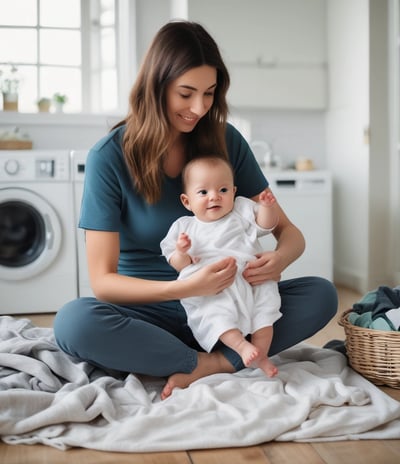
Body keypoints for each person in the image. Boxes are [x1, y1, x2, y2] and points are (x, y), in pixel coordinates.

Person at [53, 20, 338, 401]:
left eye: (209, 93)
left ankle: (211, 363)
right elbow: (102, 281)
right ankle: (204, 358)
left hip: (231, 303)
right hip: (149, 312)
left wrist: (277, 260)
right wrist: (186, 287)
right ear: (156, 87)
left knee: (321, 294)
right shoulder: (109, 158)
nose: (199, 107)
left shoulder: (226, 141)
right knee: (74, 323)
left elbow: (289, 233)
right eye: (186, 93)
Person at [161, 155, 282, 377]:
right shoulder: (184, 227)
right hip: (211, 287)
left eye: (223, 190)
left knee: (266, 308)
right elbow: (180, 266)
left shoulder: (241, 211)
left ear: (234, 192)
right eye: (203, 192)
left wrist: (266, 207)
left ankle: (261, 355)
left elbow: (266, 225)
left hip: (250, 277)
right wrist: (181, 251)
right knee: (215, 313)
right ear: (187, 201)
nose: (214, 197)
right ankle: (241, 347)